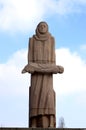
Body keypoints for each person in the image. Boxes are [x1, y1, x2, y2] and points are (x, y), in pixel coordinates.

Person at [22, 21, 64, 128]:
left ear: (48, 28)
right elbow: (30, 63)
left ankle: (50, 121)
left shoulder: (51, 39)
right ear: (37, 28)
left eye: (45, 26)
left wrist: (48, 68)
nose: (43, 27)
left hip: (48, 77)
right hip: (35, 77)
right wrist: (36, 67)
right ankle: (34, 121)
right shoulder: (32, 40)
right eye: (41, 26)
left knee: (48, 96)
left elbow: (53, 64)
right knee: (35, 96)